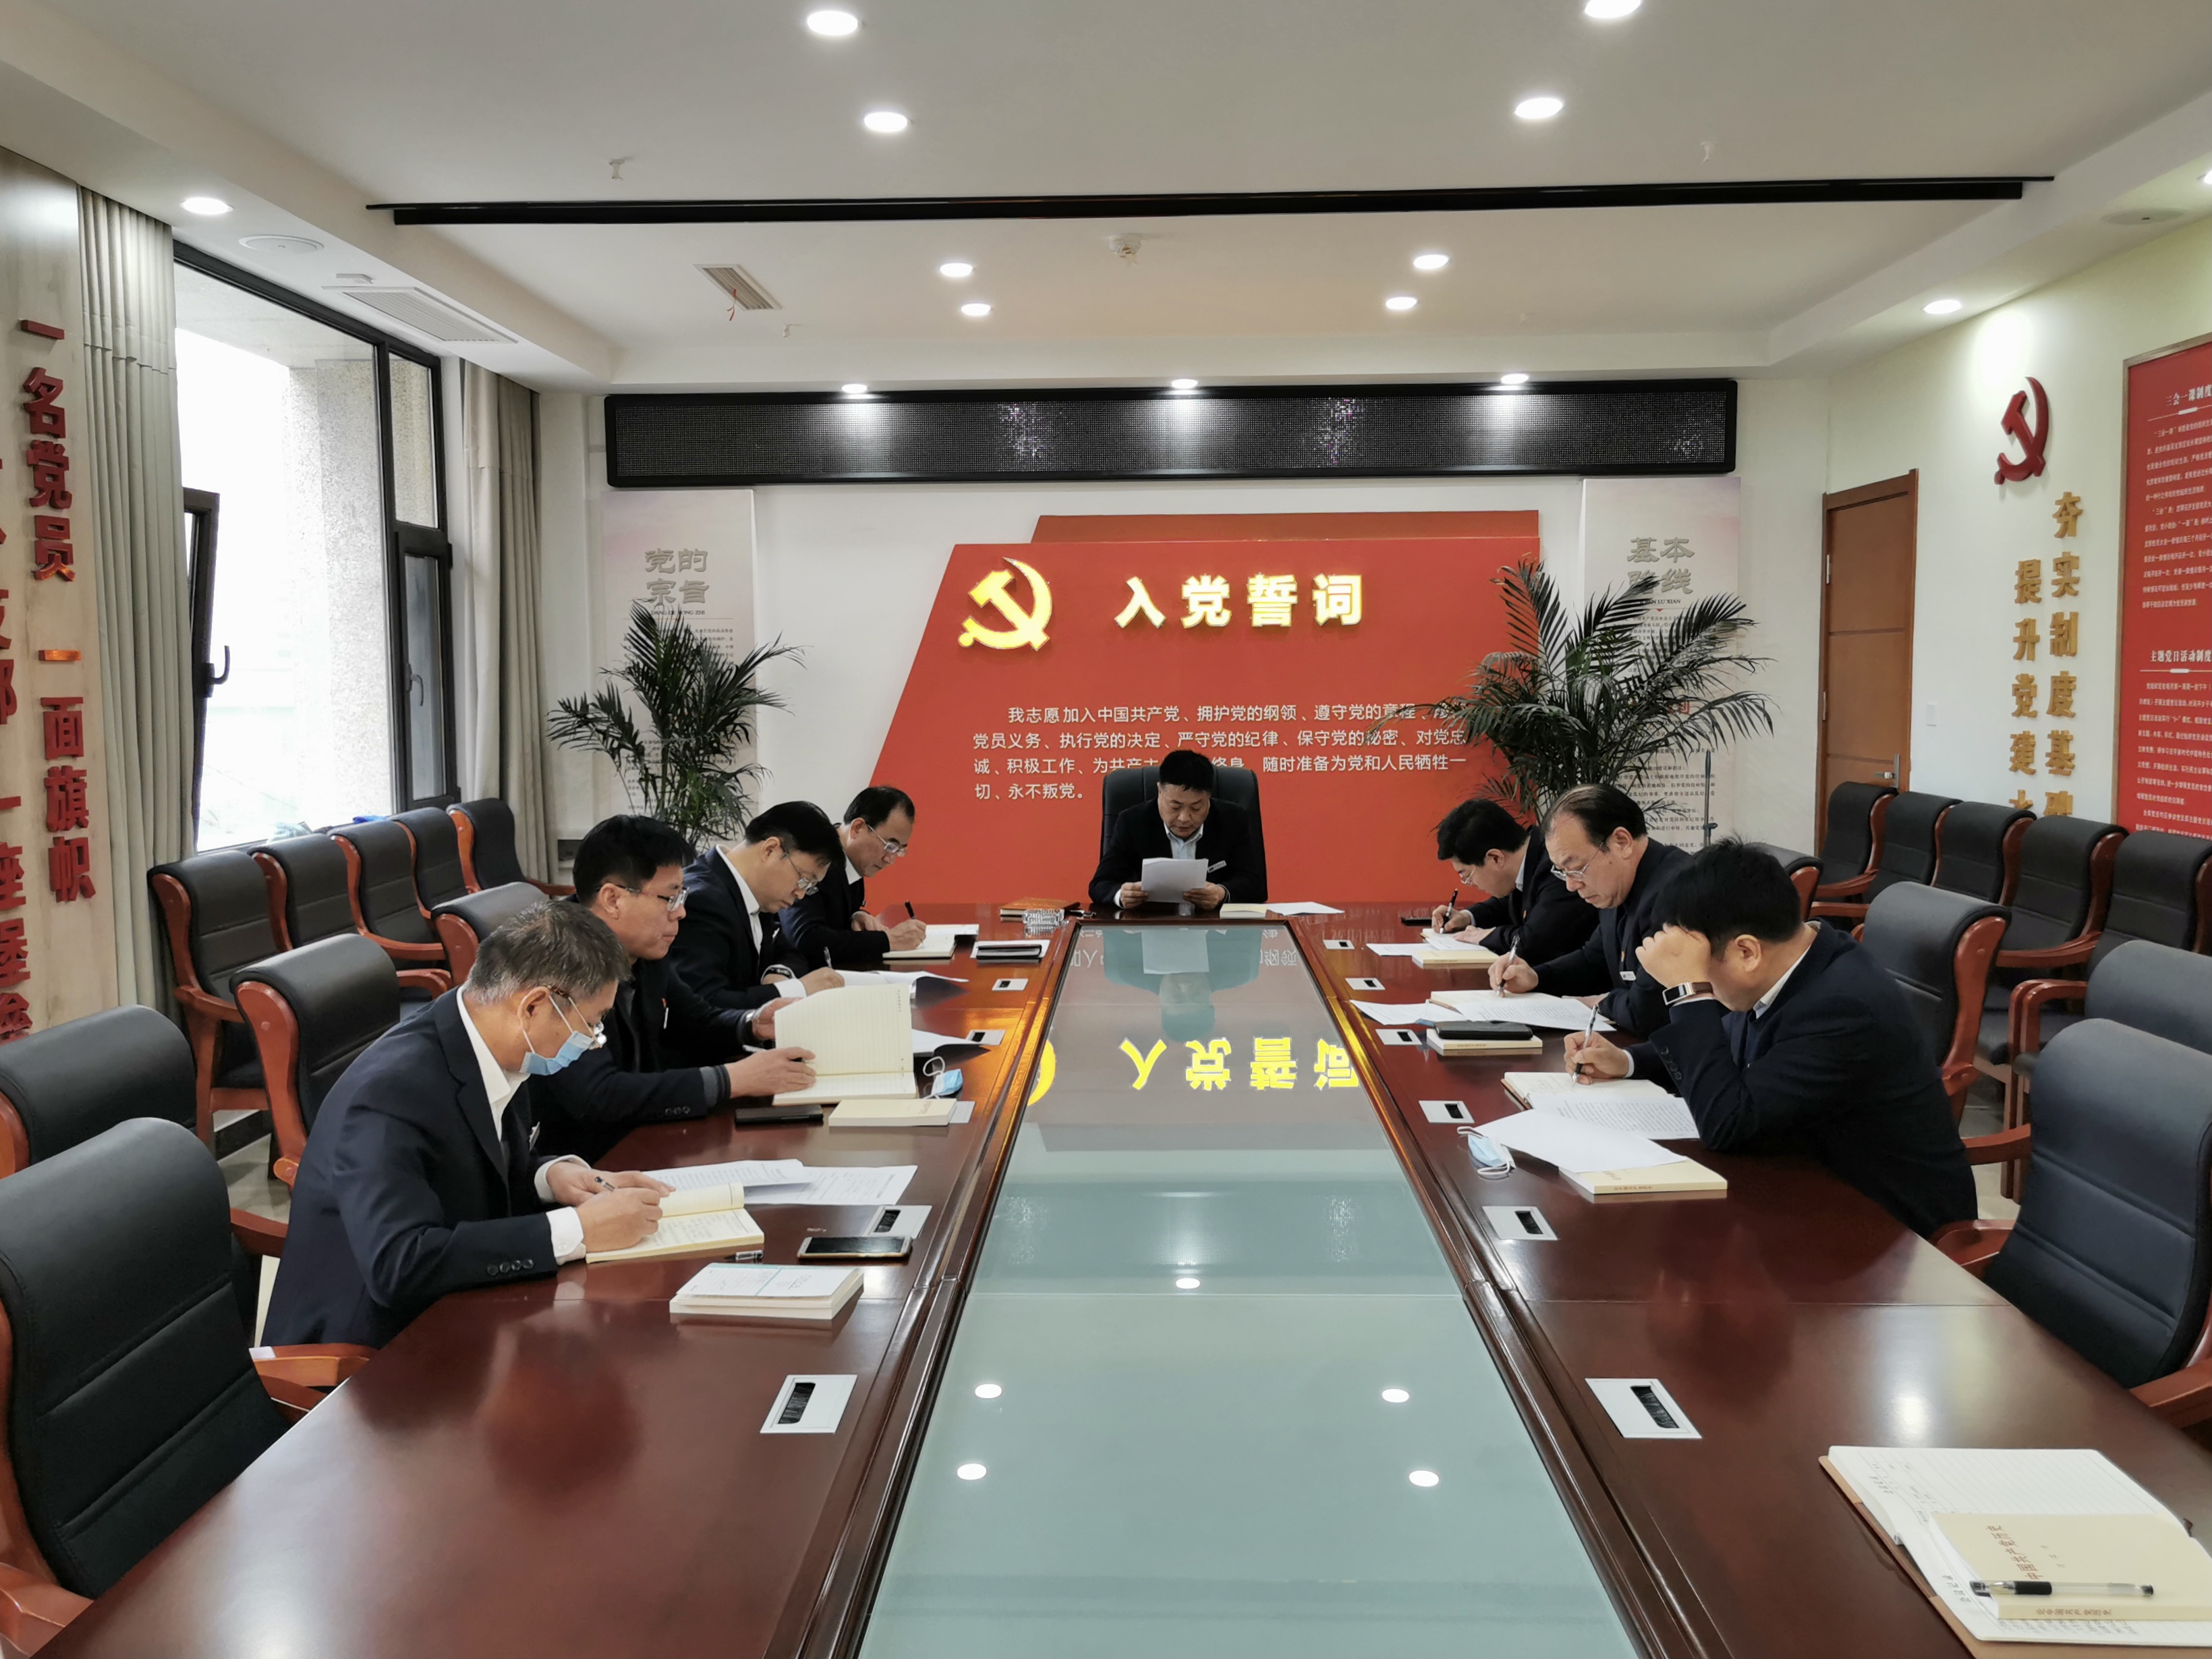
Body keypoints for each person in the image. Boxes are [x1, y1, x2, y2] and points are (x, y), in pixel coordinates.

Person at [263, 903, 673, 1349]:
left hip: (460, 1306)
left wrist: (549, 1177)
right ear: (534, 1006)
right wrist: (578, 1229)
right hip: (371, 1348)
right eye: (591, 1024)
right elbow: (399, 1265)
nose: (593, 1040)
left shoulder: (485, 1035)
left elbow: (470, 1164)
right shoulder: (390, 1093)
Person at [1564, 839, 1975, 1237]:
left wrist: (1688, 992)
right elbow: (1725, 1046)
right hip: (1802, 1186)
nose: (1703, 982)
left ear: (1747, 952)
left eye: (1700, 968)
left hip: (1888, 1232)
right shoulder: (1794, 963)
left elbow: (1728, 1124)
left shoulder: (1842, 1006)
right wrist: (1629, 1062)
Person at [534, 815, 820, 1160]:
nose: (681, 912)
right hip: (584, 1163)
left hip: (646, 1136)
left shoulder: (644, 948)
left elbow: (696, 1019)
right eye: (670, 898)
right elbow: (598, 1094)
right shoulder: (557, 962)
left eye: (681, 896)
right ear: (613, 899)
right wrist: (731, 1080)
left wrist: (751, 1024)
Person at [1491, 783, 1691, 1038]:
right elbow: (1594, 959)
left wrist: (1601, 1002)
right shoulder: (1617, 885)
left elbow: (1648, 1009)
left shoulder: (1678, 894)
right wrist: (1536, 977)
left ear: (1621, 842)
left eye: (1577, 868)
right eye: (1563, 872)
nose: (1571, 885)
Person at [668, 800, 845, 1016]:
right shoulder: (702, 902)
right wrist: (797, 989)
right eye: (803, 880)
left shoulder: (756, 893)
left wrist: (779, 972)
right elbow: (705, 1005)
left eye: (809, 887)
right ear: (770, 850)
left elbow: (789, 950)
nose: (800, 894)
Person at [1089, 749, 1266, 911]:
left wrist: (1222, 893)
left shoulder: (1233, 820)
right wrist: (1121, 895)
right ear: (1160, 791)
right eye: (1175, 806)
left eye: (1196, 808)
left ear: (1209, 797)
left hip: (1214, 930)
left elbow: (1253, 883)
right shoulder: (1132, 822)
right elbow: (1100, 884)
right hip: (1152, 929)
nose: (1184, 818)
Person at [1429, 796, 1597, 966]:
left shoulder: (1555, 868)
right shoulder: (1529, 859)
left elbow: (1533, 944)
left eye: (1466, 875)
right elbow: (1507, 904)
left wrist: (1487, 936)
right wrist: (1467, 917)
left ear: (1495, 858)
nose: (1470, 883)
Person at [779, 785, 929, 967]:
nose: (890, 860)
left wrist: (856, 916)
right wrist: (888, 940)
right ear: (858, 828)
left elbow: (832, 913)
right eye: (889, 846)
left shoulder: (852, 860)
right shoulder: (815, 859)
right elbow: (805, 938)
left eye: (899, 850)